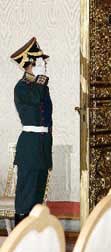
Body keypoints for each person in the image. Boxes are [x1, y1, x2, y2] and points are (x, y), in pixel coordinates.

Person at [10, 37, 53, 225]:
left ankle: (34, 234)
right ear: (29, 63)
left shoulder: (41, 86)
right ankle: (20, 235)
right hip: (29, 146)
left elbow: (48, 116)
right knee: (26, 194)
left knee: (37, 194)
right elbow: (34, 99)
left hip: (42, 144)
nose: (42, 65)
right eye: (38, 61)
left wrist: (48, 142)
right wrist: (39, 81)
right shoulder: (21, 88)